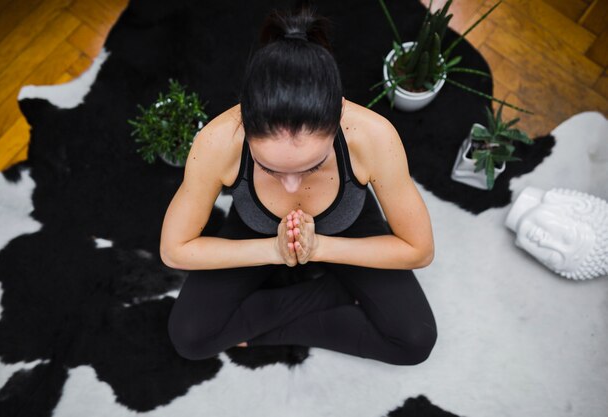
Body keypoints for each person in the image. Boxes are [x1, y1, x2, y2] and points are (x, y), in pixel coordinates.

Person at [161, 5, 437, 366]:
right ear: (245, 123)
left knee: (414, 341)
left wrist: (319, 247)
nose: (291, 186)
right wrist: (274, 252)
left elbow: (419, 250)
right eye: (269, 168)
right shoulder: (218, 140)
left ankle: (264, 331)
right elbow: (175, 250)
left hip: (349, 226)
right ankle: (332, 292)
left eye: (313, 165)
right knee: (190, 338)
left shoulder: (373, 135)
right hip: (256, 231)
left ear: (338, 118)